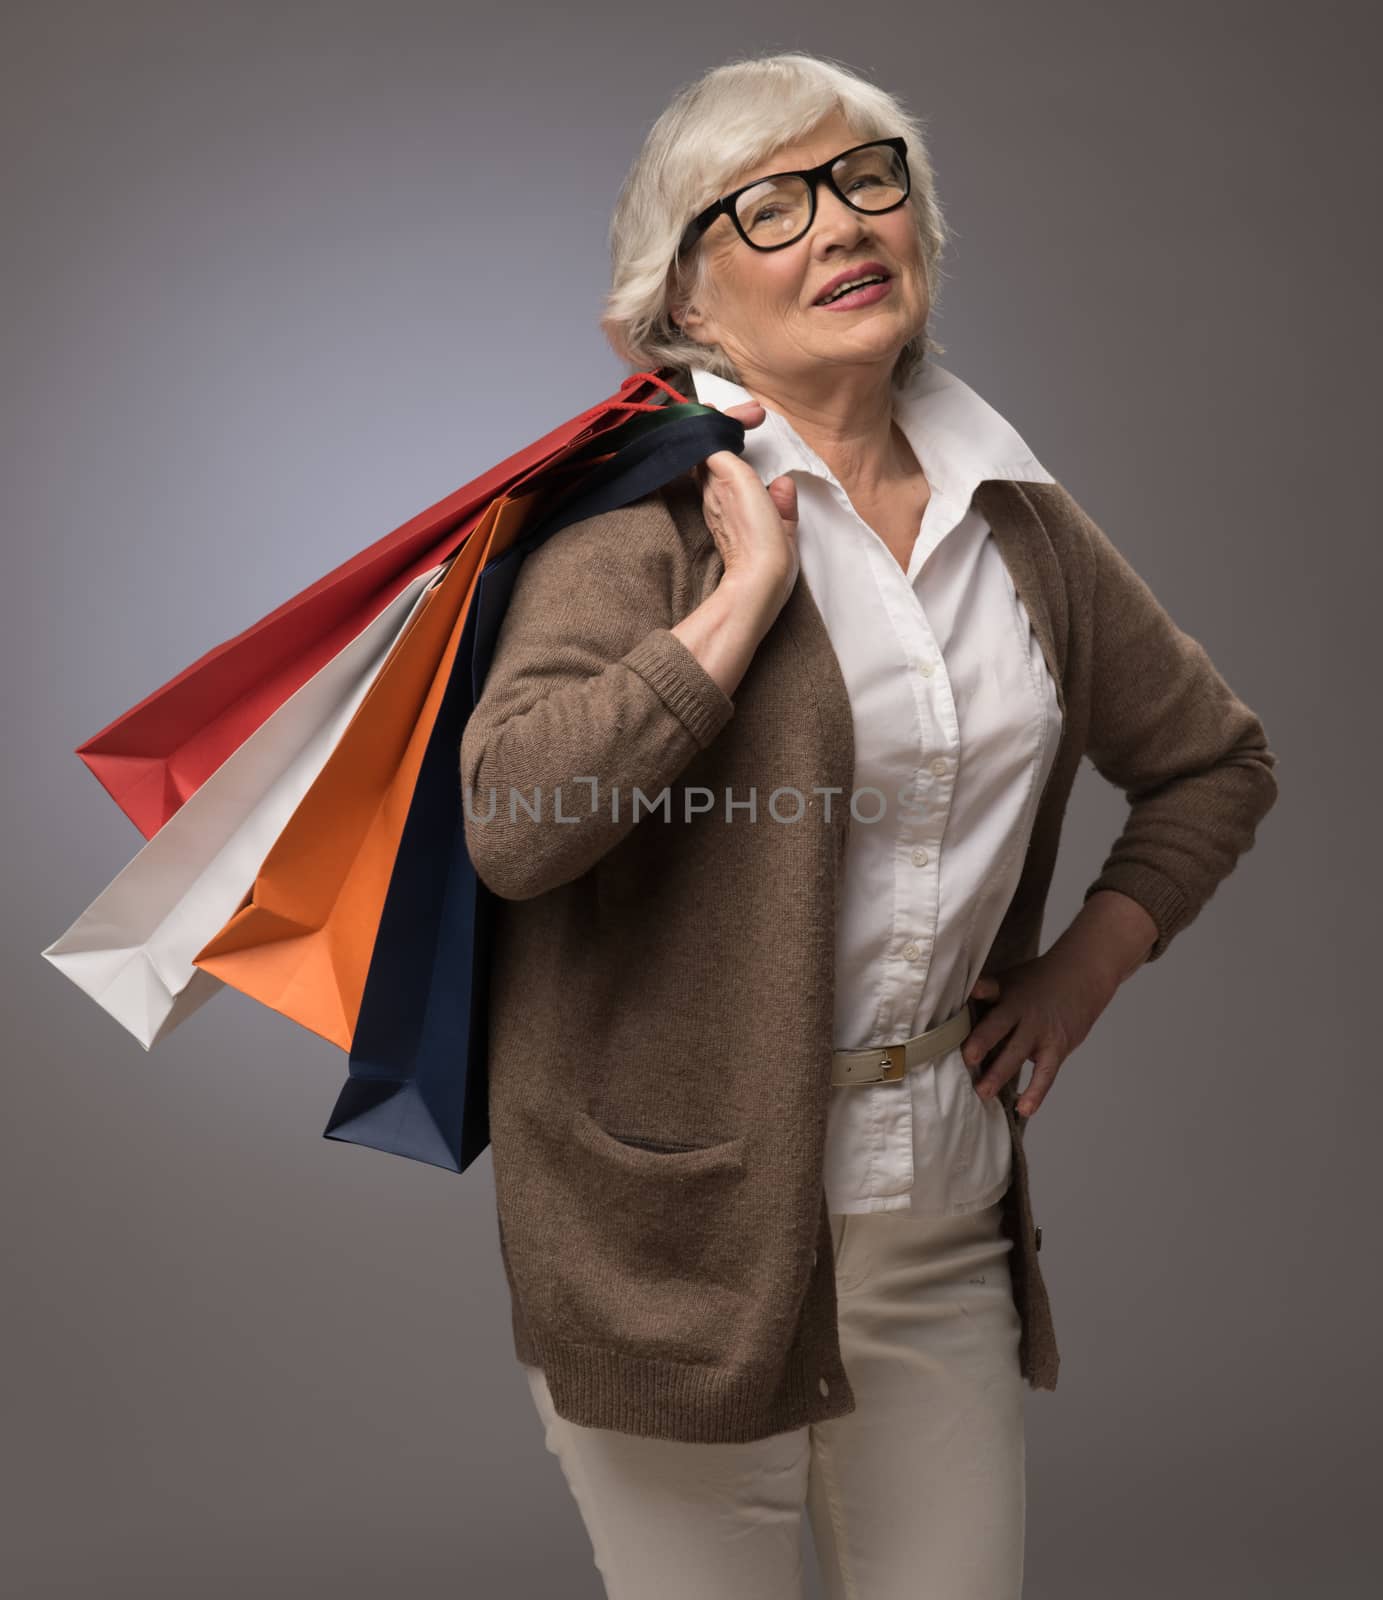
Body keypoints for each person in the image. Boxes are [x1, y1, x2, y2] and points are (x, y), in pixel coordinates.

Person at [458, 49, 1279, 1600]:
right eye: (767, 206)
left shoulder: (1018, 521)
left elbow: (1215, 762)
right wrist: (741, 610)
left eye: (866, 179)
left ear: (917, 227)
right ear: (685, 301)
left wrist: (1084, 969)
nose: (837, 224)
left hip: (938, 1217)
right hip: (676, 1246)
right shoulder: (634, 529)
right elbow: (516, 821)